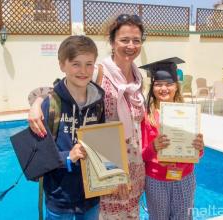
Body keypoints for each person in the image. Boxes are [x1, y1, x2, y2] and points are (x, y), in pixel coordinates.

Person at [28, 14, 147, 219]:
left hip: (132, 166)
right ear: (112, 41)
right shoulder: (97, 72)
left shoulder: (138, 79)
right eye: (124, 39)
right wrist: (37, 104)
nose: (130, 45)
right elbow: (59, 88)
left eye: (136, 40)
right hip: (101, 169)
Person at [39, 35, 105, 220]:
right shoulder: (50, 105)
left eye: (89, 64)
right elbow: (40, 155)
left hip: (91, 198)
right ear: (62, 65)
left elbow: (100, 142)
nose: (83, 71)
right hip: (60, 200)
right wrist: (68, 156)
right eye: (76, 64)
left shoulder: (98, 102)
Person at [140, 61, 204, 220]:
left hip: (184, 178)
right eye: (158, 84)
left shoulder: (188, 113)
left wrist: (199, 148)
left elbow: (196, 152)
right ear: (152, 88)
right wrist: (153, 147)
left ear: (176, 86)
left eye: (168, 84)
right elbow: (140, 156)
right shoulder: (146, 117)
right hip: (156, 180)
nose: (163, 88)